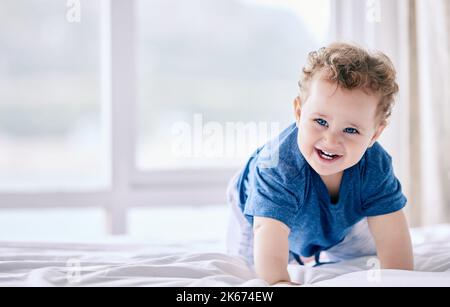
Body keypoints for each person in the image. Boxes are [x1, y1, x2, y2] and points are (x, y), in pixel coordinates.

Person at [226, 42, 414, 285]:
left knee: (361, 260)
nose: (331, 140)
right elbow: (267, 231)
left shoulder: (374, 166)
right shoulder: (277, 165)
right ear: (299, 112)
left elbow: (392, 235)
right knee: (249, 270)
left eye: (351, 129)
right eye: (320, 122)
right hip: (257, 214)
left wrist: (401, 280)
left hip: (339, 216)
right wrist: (279, 281)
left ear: (375, 135)